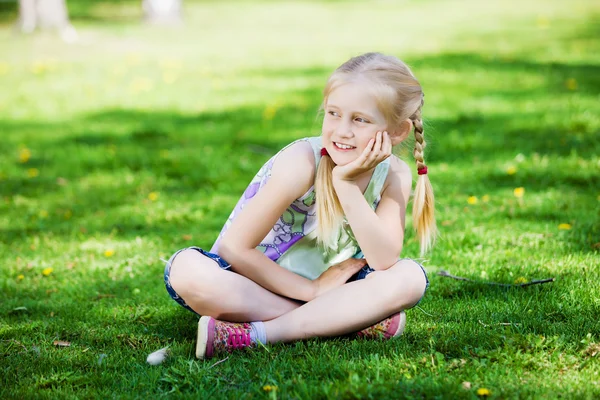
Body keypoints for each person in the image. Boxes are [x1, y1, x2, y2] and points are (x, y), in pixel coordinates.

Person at [164, 52, 436, 359]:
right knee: (187, 271)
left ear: (397, 131)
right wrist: (313, 293)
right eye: (334, 113)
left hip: (338, 285)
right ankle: (340, 320)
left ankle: (257, 334)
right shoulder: (302, 162)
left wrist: (345, 186)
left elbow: (384, 259)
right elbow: (234, 250)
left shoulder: (394, 175)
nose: (342, 130)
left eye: (360, 119)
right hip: (253, 284)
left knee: (410, 278)